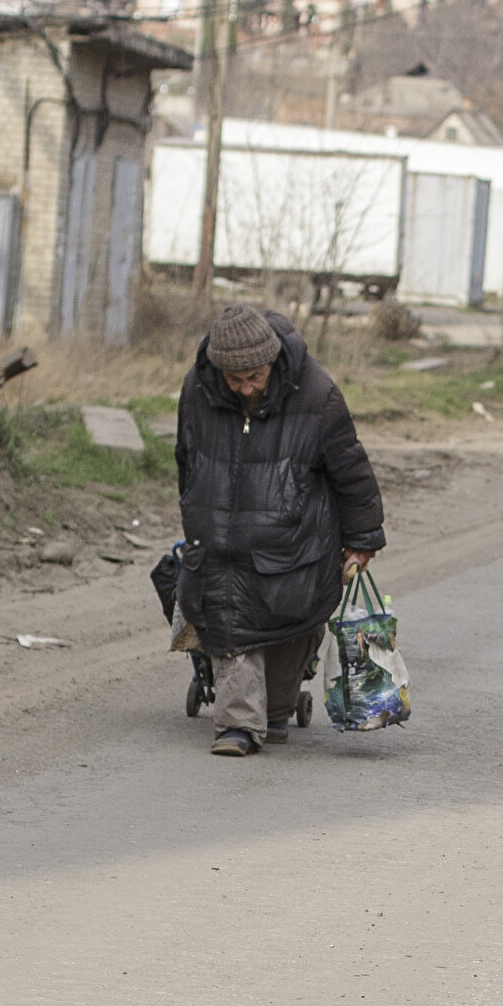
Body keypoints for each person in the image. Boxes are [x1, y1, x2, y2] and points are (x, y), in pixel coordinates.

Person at [174, 304, 385, 757]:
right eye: (236, 380)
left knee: (291, 618)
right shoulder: (197, 388)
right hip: (222, 539)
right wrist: (195, 515)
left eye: (255, 376)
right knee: (229, 618)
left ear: (272, 361)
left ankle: (272, 711)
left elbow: (351, 469)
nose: (247, 388)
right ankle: (236, 726)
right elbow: (187, 459)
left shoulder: (317, 393)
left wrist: (363, 538)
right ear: (218, 369)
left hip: (296, 538)